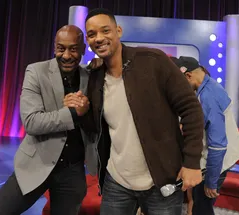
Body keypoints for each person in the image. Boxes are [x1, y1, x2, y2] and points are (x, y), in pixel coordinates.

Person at [67, 8, 205, 215]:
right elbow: (97, 129)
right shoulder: (95, 76)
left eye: (105, 30)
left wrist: (192, 162)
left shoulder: (153, 61)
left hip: (162, 182)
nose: (99, 38)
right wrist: (84, 111)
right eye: (92, 34)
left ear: (118, 31)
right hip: (116, 182)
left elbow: (191, 109)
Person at [0, 25, 99, 215]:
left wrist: (85, 110)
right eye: (61, 48)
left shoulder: (91, 76)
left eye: (73, 49)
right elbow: (31, 122)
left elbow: (96, 122)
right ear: (54, 47)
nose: (67, 55)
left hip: (73, 171)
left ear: (83, 48)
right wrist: (72, 112)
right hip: (37, 163)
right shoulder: (36, 71)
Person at [171, 56, 239, 215]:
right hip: (216, 160)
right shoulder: (207, 87)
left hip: (216, 162)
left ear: (188, 76)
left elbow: (217, 146)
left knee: (202, 209)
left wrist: (211, 182)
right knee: (200, 205)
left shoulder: (208, 96)